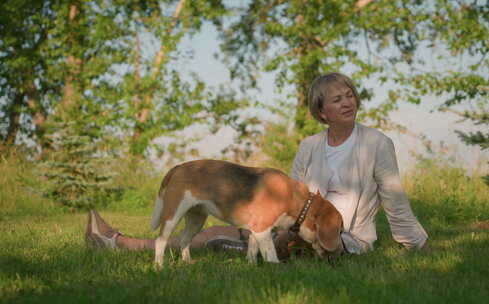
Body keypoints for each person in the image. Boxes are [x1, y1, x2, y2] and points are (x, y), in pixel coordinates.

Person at [86, 72, 427, 258]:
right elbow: (289, 196)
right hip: (295, 230)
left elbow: (394, 199)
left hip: (343, 238)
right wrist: (279, 227)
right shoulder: (309, 146)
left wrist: (414, 242)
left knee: (221, 238)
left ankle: (118, 242)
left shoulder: (377, 143)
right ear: (322, 112)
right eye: (338, 99)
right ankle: (118, 242)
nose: (348, 102)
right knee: (221, 229)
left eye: (350, 95)